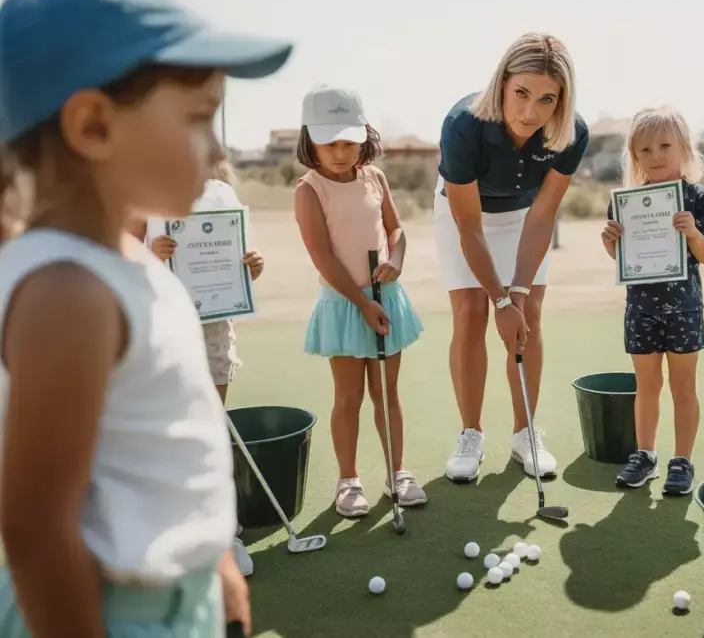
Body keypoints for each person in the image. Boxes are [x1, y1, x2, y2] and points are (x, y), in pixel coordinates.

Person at [0, 0, 292, 638]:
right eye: (197, 120)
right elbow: (38, 531)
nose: (218, 151)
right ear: (94, 127)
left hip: (175, 599)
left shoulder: (129, 267)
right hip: (111, 613)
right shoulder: (67, 293)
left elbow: (169, 453)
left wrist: (216, 567)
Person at [435, 33, 590, 483]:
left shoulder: (572, 133)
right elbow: (468, 226)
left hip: (524, 215)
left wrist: (517, 294)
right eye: (521, 93)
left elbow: (543, 215)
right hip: (465, 215)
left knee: (532, 314)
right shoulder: (462, 124)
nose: (530, 112)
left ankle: (525, 433)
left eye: (547, 99)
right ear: (502, 82)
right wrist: (499, 300)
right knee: (470, 313)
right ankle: (471, 433)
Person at [293, 83, 425, 518]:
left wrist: (398, 259)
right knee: (348, 397)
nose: (340, 151)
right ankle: (348, 480)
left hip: (385, 297)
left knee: (388, 394)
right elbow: (322, 257)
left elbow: (396, 230)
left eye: (349, 140)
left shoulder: (375, 178)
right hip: (345, 303)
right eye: (329, 142)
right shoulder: (309, 190)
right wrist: (362, 302)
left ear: (365, 135)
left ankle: (397, 473)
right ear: (309, 138)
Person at [599, 107, 704, 495]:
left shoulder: (697, 198)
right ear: (634, 156)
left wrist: (692, 234)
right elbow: (627, 261)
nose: (656, 155)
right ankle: (645, 455)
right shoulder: (626, 203)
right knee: (646, 386)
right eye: (645, 149)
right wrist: (610, 244)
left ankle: (681, 461)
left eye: (665, 145)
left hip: (684, 309)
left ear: (684, 148)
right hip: (641, 311)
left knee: (684, 388)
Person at [146, 142, 266, 404]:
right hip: (170, 323)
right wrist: (153, 255)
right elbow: (135, 268)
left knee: (214, 409)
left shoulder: (222, 197)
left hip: (216, 325)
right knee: (174, 405)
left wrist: (253, 267)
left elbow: (240, 264)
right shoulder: (152, 201)